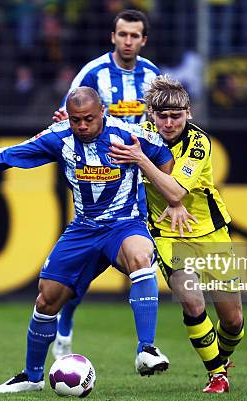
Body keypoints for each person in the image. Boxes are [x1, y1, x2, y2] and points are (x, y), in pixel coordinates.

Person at [0, 87, 172, 393]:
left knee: (142, 256)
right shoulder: (58, 136)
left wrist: (165, 198)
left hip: (124, 224)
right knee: (46, 299)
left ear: (102, 111)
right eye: (76, 120)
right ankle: (33, 376)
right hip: (83, 229)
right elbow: (2, 157)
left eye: (88, 119)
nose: (82, 126)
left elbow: (164, 156)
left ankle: (147, 349)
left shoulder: (129, 134)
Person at [108, 76, 245, 393]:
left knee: (233, 322)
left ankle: (220, 360)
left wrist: (162, 184)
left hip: (210, 233)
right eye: (163, 116)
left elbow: (175, 188)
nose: (169, 123)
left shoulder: (199, 144)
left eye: (176, 116)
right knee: (192, 302)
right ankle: (217, 377)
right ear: (151, 115)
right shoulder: (139, 136)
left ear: (189, 114)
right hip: (167, 235)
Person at [51, 8, 161, 359]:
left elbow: (162, 123)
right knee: (87, 262)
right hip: (97, 178)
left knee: (142, 257)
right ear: (113, 37)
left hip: (138, 177)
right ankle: (64, 323)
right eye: (122, 34)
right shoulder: (93, 73)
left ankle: (147, 347)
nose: (128, 41)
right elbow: (66, 115)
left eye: (134, 36)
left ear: (143, 40)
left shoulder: (152, 75)